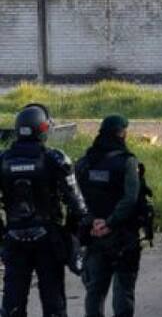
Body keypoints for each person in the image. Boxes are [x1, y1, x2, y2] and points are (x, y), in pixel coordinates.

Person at [0, 104, 92, 317]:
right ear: (43, 129)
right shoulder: (55, 159)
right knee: (54, 304)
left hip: (14, 239)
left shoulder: (3, 160)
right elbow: (78, 205)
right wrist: (71, 235)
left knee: (12, 304)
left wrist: (3, 234)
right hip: (48, 240)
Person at [77, 114, 145, 317]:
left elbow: (76, 198)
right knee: (123, 289)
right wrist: (110, 223)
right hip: (122, 236)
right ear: (121, 133)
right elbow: (130, 199)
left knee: (95, 290)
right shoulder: (127, 162)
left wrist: (93, 222)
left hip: (93, 235)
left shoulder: (85, 162)